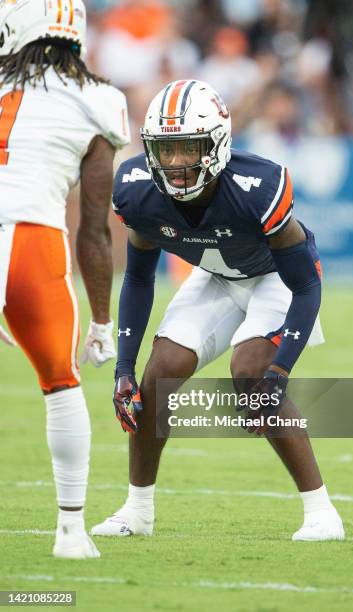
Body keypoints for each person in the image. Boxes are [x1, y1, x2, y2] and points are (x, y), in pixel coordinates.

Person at [91, 79, 344, 542]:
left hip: (275, 279)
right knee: (157, 375)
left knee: (251, 374)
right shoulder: (137, 190)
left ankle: (321, 511)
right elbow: (141, 277)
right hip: (215, 278)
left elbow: (306, 284)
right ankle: (137, 511)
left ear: (218, 142)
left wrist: (281, 369)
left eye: (189, 149)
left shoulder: (256, 186)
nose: (177, 163)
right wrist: (123, 368)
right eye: (166, 151)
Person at [0, 0, 129, 558]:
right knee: (61, 386)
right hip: (33, 242)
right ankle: (71, 532)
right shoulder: (98, 99)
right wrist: (103, 320)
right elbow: (95, 230)